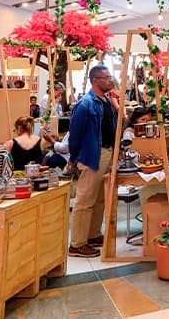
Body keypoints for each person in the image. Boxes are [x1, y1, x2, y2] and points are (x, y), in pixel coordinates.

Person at [67, 65, 119, 258]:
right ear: (95, 80)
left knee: (99, 198)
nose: (110, 80)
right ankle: (77, 243)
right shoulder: (85, 104)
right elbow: (75, 134)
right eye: (106, 77)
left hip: (107, 152)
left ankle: (93, 234)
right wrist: (75, 158)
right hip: (92, 155)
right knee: (85, 199)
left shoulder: (105, 101)